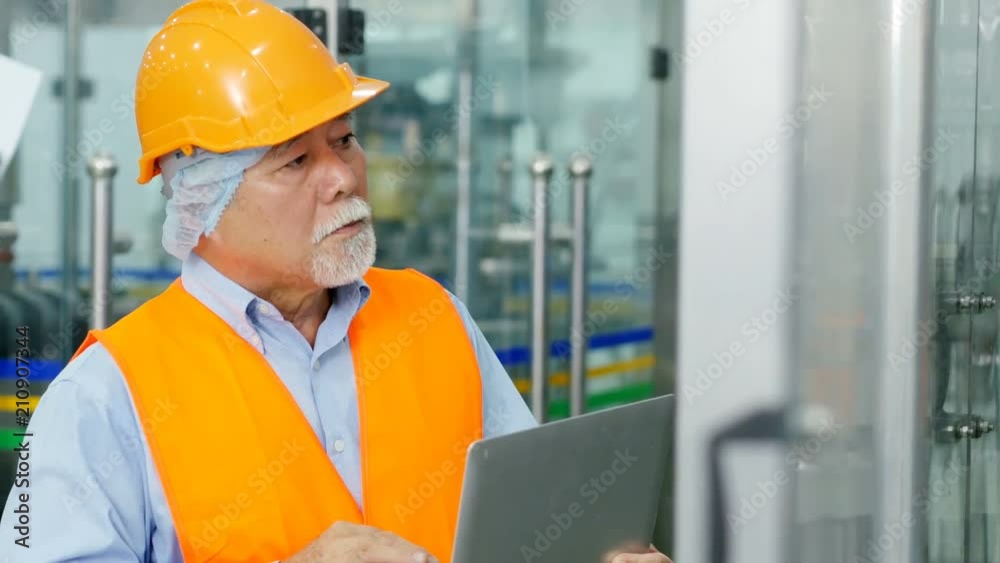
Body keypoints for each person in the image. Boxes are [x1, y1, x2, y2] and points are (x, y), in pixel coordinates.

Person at [0, 1, 672, 561]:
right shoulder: (105, 396)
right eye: (295, 160)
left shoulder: (436, 319)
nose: (343, 177)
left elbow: (532, 533)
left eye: (345, 140)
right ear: (201, 203)